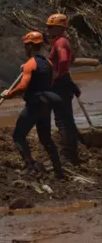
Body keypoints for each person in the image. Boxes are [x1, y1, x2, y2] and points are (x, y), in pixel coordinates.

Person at [1, 31, 65, 179]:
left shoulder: (31, 64)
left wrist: (9, 94)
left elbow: (23, 87)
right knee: (46, 138)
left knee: (18, 135)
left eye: (26, 46)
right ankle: (58, 170)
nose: (25, 49)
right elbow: (51, 80)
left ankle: (30, 167)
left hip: (34, 106)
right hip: (46, 105)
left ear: (30, 46)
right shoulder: (48, 63)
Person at [46, 13, 81, 164]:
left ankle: (67, 155)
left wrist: (57, 75)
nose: (47, 29)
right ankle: (71, 153)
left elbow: (65, 60)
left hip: (61, 83)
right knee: (67, 119)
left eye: (50, 27)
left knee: (62, 120)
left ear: (59, 28)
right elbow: (70, 59)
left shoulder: (60, 43)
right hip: (65, 82)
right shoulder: (63, 42)